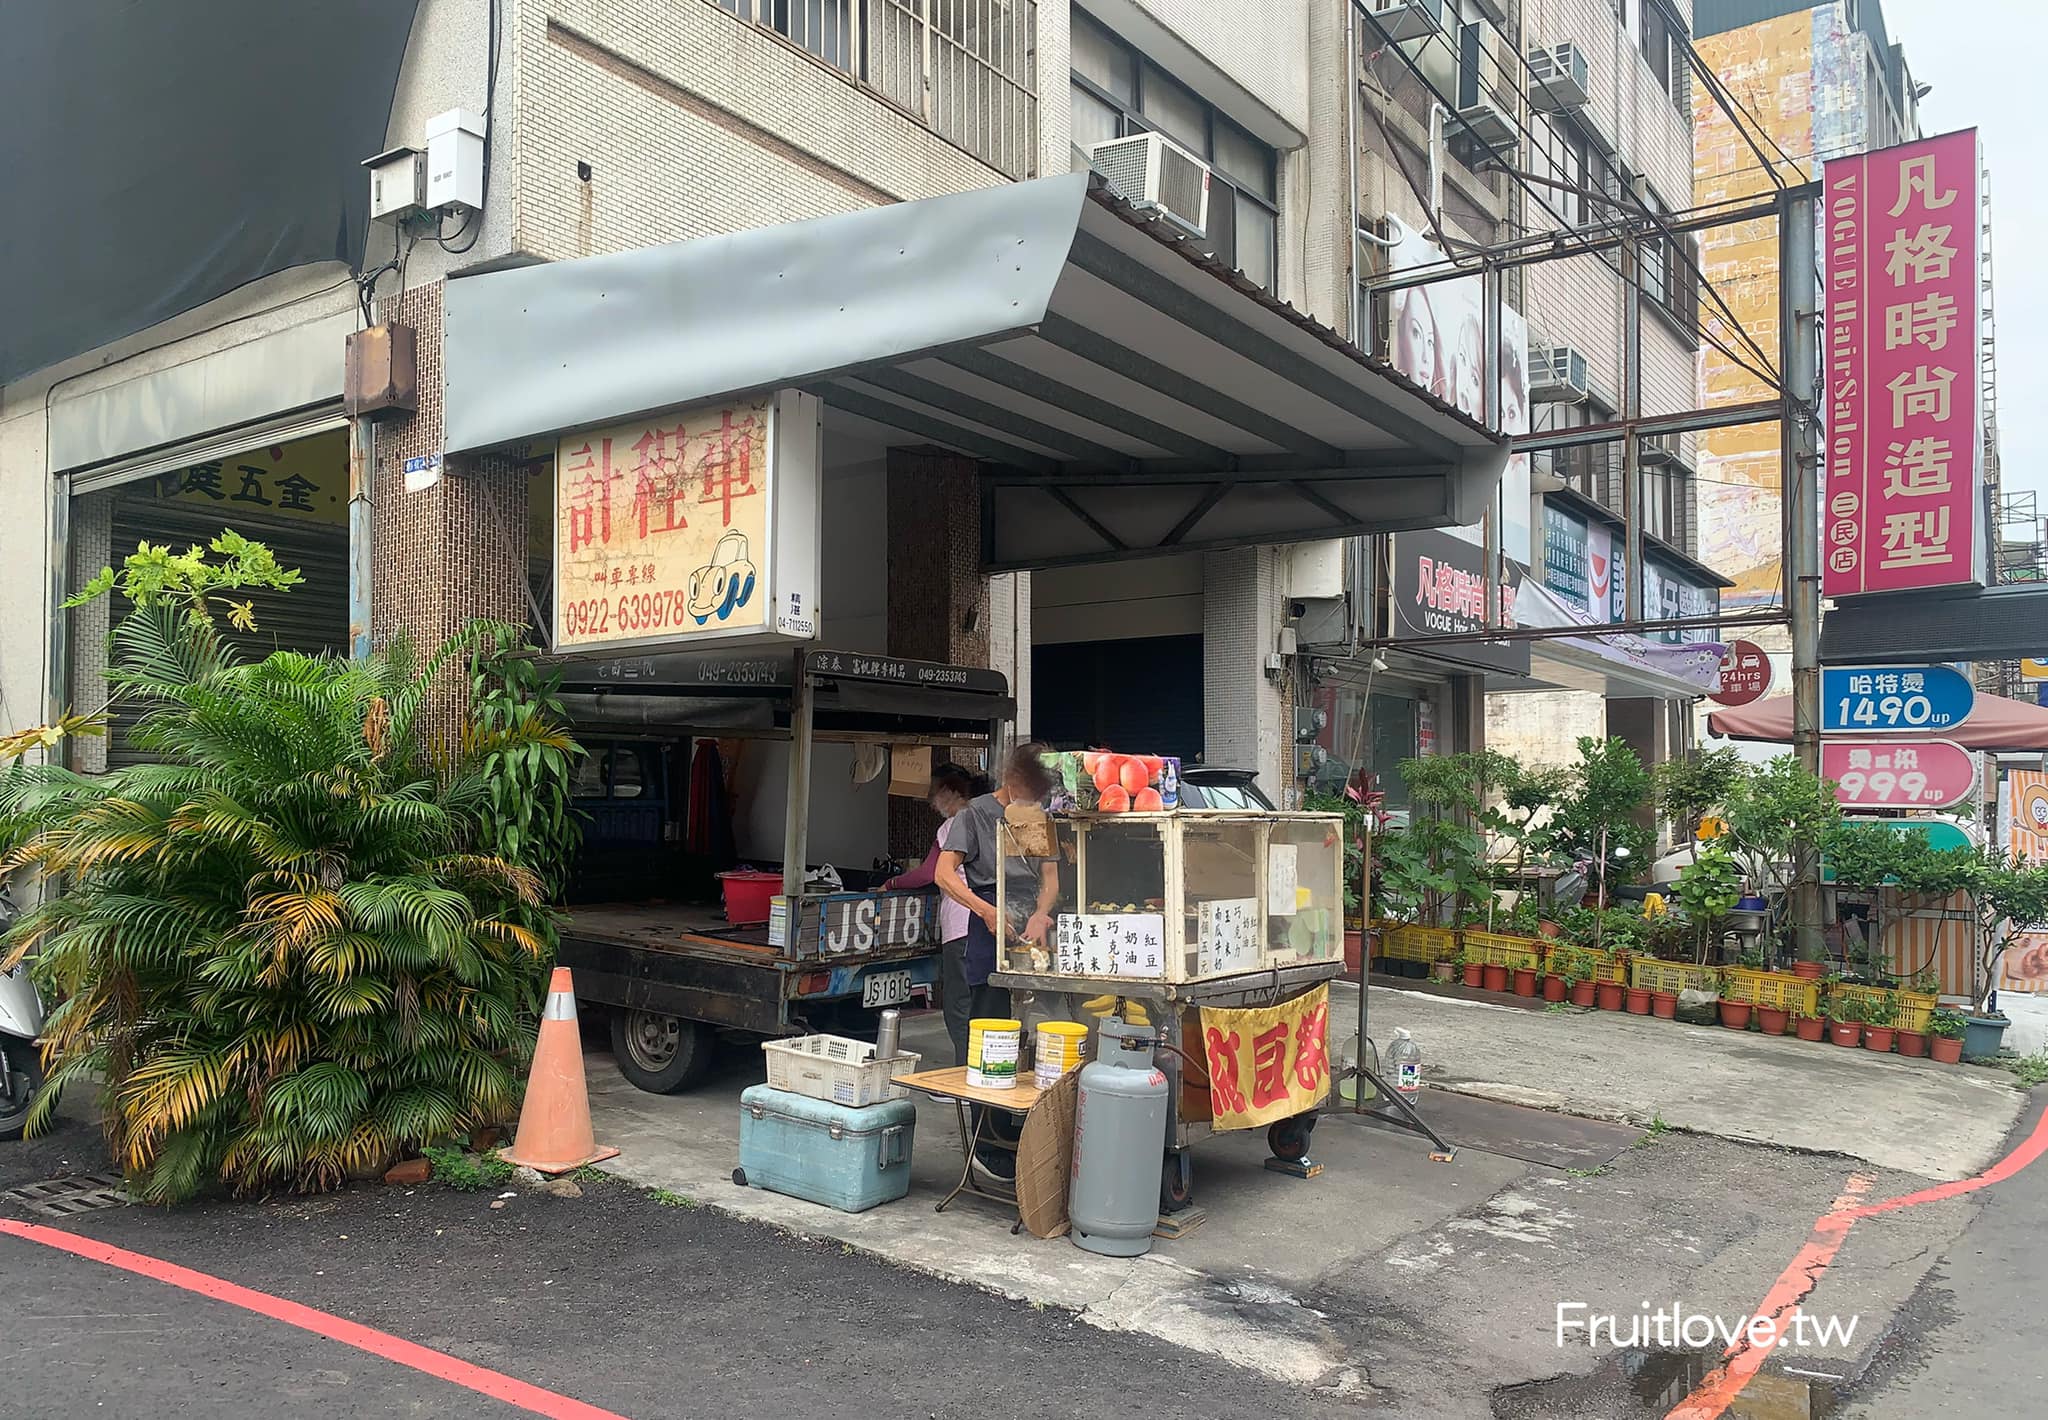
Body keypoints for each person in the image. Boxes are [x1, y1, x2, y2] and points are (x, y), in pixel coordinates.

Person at [935, 743, 1059, 1181]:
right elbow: (944, 874)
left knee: (1037, 1030)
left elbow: (1049, 876)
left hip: (1033, 930)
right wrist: (985, 911)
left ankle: (1029, 1128)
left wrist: (1043, 912)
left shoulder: (1035, 816)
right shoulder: (975, 815)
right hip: (988, 926)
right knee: (992, 1033)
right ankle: (989, 1142)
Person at [879, 762, 990, 1069]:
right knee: (983, 1005)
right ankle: (983, 1075)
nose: (931, 802)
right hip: (990, 920)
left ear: (951, 792)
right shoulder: (990, 817)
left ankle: (962, 1077)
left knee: (958, 1006)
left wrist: (891, 883)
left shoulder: (953, 826)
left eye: (934, 793)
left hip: (962, 926)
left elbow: (929, 873)